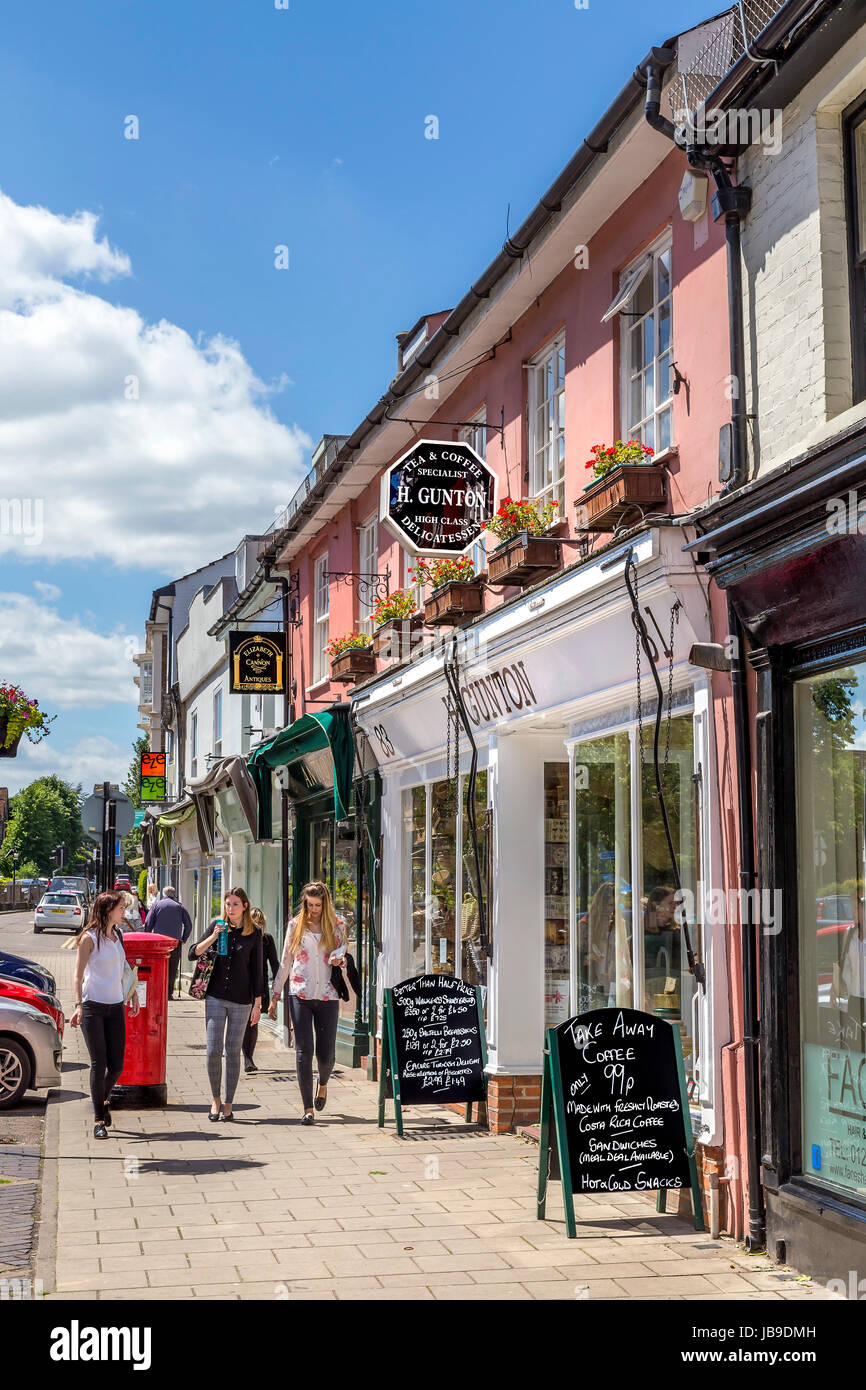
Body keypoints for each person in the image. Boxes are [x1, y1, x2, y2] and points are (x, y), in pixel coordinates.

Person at [269, 880, 347, 1125]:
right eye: (309, 904)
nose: (313, 909)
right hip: (300, 993)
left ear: (325, 904)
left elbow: (343, 954)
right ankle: (307, 1109)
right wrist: (275, 994)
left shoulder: (337, 925)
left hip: (327, 995)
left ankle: (323, 1083)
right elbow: (286, 961)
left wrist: (340, 960)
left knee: (326, 1055)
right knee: (304, 1052)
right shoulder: (296, 925)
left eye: (317, 905)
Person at [188, 887, 262, 1121]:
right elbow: (192, 953)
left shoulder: (254, 933)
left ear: (245, 906)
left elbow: (258, 971)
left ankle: (229, 1103)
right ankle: (215, 1099)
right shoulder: (217, 926)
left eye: (235, 904)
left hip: (242, 1000)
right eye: (228, 904)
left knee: (232, 1051)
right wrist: (213, 936)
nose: (230, 909)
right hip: (215, 997)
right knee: (213, 1051)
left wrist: (258, 1004)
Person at [70, 891, 140, 1140]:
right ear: (108, 910)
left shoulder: (117, 935)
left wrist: (133, 993)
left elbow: (123, 968)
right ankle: (99, 1119)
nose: (124, 912)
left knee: (117, 1065)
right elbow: (78, 975)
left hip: (115, 1006)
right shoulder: (89, 938)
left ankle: (103, 1098)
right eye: (121, 908)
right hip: (93, 1007)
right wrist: (78, 1005)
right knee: (99, 1065)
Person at [242, 908, 280, 1073]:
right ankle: (246, 1057)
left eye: (260, 923)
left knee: (253, 1022)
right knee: (244, 1022)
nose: (257, 926)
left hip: (259, 985)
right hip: (242, 984)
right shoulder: (241, 937)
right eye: (254, 923)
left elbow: (275, 964)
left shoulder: (267, 940)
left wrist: (277, 987)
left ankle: (248, 1058)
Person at [145, 885, 193, 1000]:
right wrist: (184, 938)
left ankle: (158, 991)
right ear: (174, 895)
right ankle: (169, 993)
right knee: (172, 968)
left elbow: (148, 923)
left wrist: (148, 937)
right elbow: (188, 925)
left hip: (159, 943)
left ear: (163, 894)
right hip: (175, 943)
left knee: (159, 967)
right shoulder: (180, 907)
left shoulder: (156, 905)